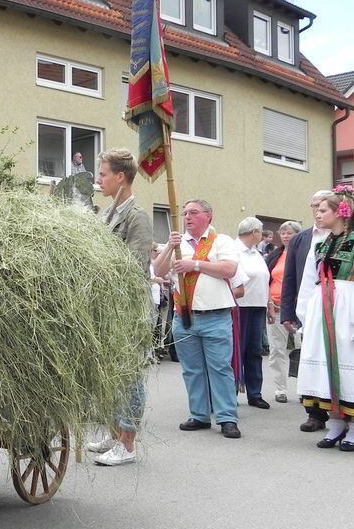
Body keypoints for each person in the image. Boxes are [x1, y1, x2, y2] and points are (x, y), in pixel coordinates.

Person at [154, 199, 242, 438]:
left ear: (208, 216)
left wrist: (195, 264)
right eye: (185, 213)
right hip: (184, 317)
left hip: (215, 315)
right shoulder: (177, 243)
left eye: (193, 212)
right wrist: (169, 249)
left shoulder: (220, 241)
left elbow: (228, 269)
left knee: (220, 368)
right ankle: (199, 415)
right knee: (191, 369)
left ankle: (226, 417)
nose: (187, 217)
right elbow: (159, 272)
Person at [86, 148, 152, 466]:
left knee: (129, 376)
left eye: (103, 174)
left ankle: (127, 445)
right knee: (110, 375)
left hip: (129, 310)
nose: (99, 179)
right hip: (107, 308)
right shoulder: (106, 214)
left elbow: (136, 265)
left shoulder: (137, 216)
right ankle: (114, 434)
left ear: (120, 177)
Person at [295, 188, 354, 449]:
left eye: (323, 210)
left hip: (347, 305)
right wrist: (305, 314)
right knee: (325, 365)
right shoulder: (321, 243)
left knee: (346, 361)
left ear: (341, 212)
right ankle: (336, 423)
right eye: (316, 210)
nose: (317, 215)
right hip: (322, 306)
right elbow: (310, 280)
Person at [280, 189, 334, 432]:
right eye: (314, 206)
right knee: (309, 360)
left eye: (321, 206)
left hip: (337, 308)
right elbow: (290, 277)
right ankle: (315, 413)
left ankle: (340, 411)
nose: (316, 210)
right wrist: (288, 313)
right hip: (308, 308)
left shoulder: (344, 236)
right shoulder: (301, 239)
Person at [234, 217, 271, 409]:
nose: (262, 234)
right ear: (254, 232)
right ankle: (230, 392)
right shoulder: (234, 250)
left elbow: (263, 281)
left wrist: (269, 303)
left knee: (255, 351)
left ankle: (255, 393)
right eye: (261, 231)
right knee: (237, 350)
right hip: (240, 306)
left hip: (258, 305)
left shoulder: (255, 253)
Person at [266, 221, 302, 403]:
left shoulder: (304, 254)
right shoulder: (275, 255)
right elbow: (266, 279)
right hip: (276, 307)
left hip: (298, 311)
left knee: (302, 349)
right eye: (283, 233)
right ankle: (280, 389)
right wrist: (269, 302)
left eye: (290, 233)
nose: (286, 236)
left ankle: (304, 389)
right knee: (276, 350)